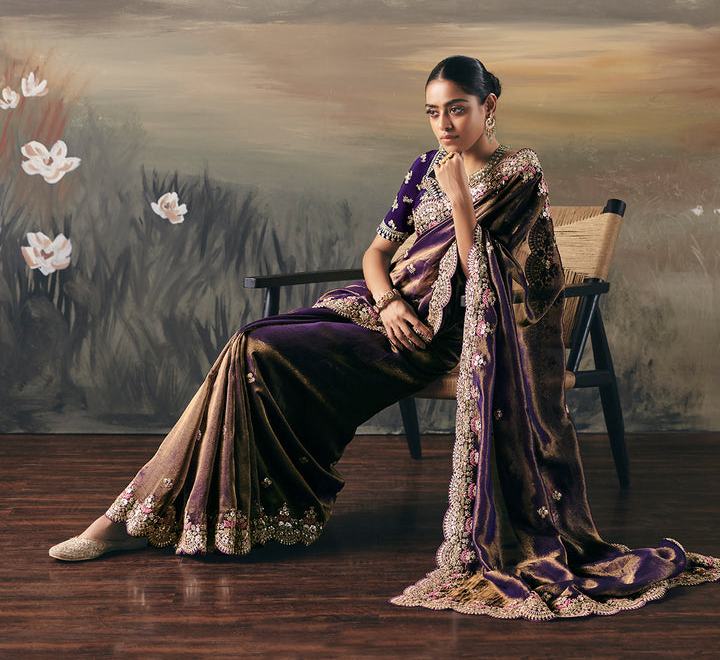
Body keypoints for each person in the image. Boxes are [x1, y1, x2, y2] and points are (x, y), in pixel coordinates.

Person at [49, 56, 719, 620]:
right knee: (245, 345)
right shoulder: (422, 167)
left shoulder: (519, 175)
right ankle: (143, 516)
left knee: (255, 348)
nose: (444, 124)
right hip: (379, 315)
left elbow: (500, 278)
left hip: (443, 338)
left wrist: (459, 201)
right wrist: (390, 298)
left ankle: (129, 521)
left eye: (457, 108)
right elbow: (377, 253)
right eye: (433, 111)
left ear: (491, 104)